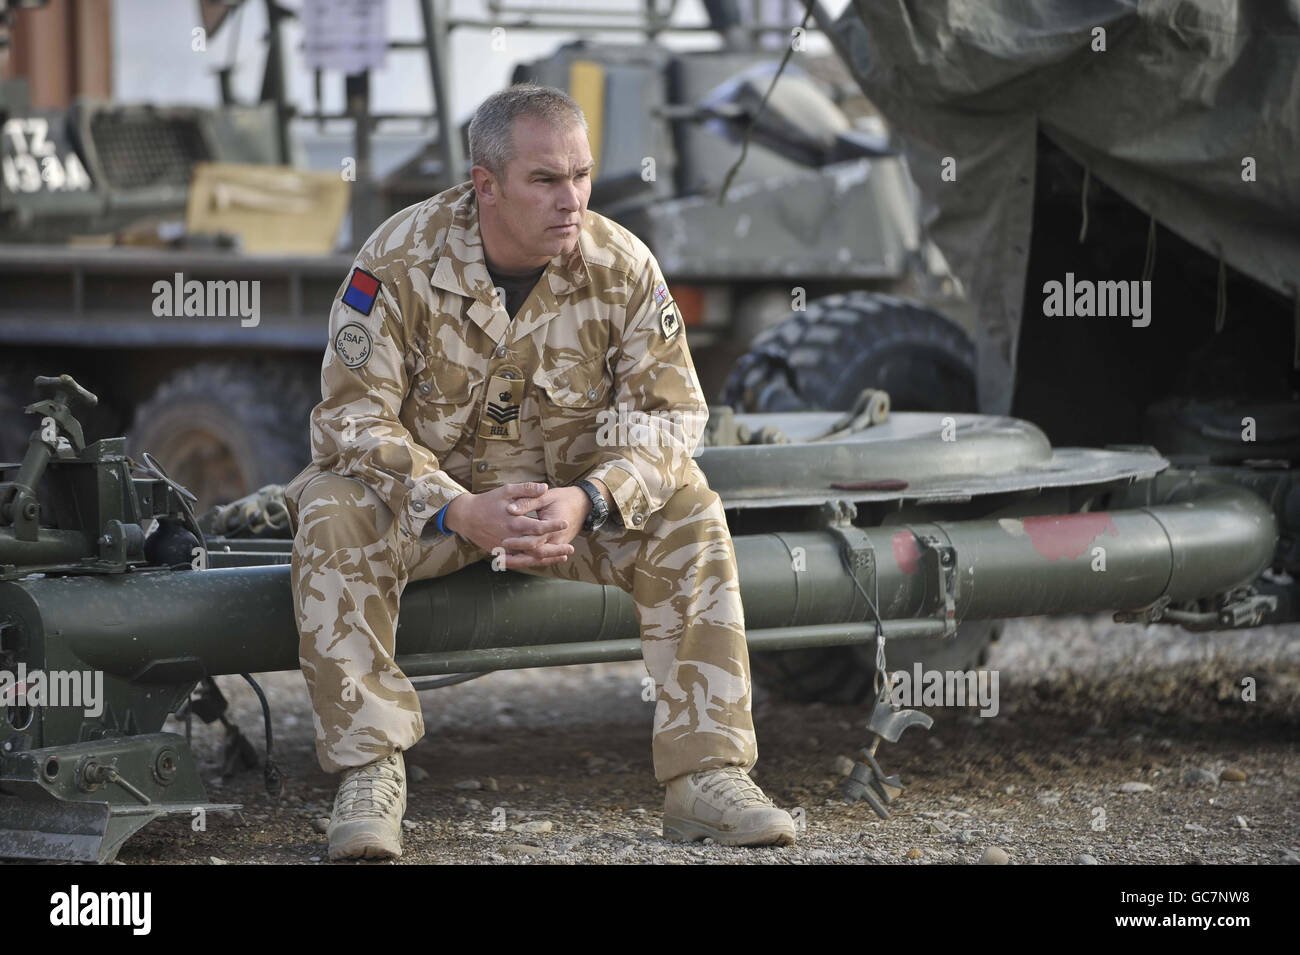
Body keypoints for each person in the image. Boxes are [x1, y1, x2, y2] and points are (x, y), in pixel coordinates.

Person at [283, 83, 796, 861]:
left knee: (690, 509)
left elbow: (673, 416)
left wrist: (592, 499)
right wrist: (456, 509)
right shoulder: (396, 262)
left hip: (570, 520)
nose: (573, 200)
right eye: (546, 180)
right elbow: (349, 420)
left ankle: (707, 776)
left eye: (582, 175)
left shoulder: (620, 266)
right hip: (440, 518)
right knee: (331, 507)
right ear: (485, 185)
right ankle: (368, 770)